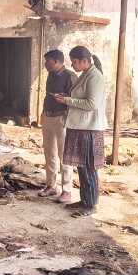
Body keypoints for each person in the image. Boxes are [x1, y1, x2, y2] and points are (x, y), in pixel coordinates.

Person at [54, 46, 106, 217]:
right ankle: (85, 201)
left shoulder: (95, 76)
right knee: (82, 167)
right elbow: (81, 97)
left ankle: (91, 205)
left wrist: (68, 100)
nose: (72, 64)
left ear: (84, 60)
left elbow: (92, 104)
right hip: (81, 126)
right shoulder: (86, 74)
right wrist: (67, 97)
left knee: (89, 168)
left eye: (74, 61)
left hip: (89, 129)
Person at [38, 50, 78, 203]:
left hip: (62, 119)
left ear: (55, 61)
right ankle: (51, 186)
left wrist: (65, 98)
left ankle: (66, 191)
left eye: (47, 61)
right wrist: (43, 114)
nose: (45, 64)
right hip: (48, 117)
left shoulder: (70, 76)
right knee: (49, 153)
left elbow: (77, 99)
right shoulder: (51, 75)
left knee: (64, 155)